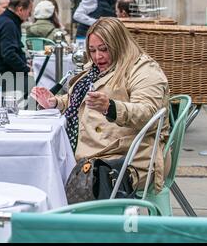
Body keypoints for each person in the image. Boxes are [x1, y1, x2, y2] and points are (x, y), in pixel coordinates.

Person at [31, 17, 169, 192]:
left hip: (124, 159)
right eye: (92, 50)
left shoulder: (144, 69)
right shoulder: (95, 68)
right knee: (40, 170)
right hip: (92, 152)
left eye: (104, 49)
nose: (98, 56)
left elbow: (148, 113)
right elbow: (82, 100)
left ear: (119, 44)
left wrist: (110, 107)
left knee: (52, 180)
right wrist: (56, 102)